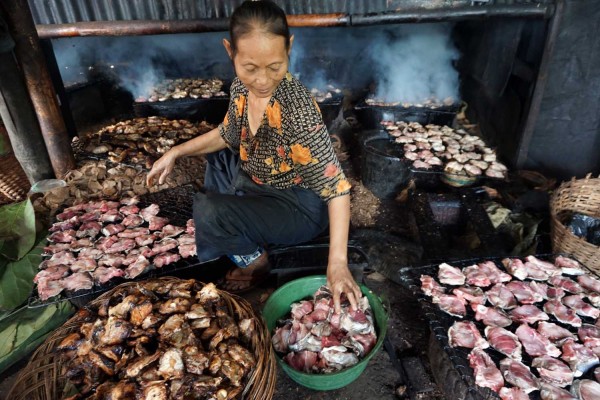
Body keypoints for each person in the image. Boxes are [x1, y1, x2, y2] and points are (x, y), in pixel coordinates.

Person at [146, 0, 360, 312]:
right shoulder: (240, 90)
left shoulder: (296, 112)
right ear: (229, 52)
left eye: (275, 67)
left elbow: (338, 189)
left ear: (289, 47)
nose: (262, 80)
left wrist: (338, 264)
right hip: (259, 180)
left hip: (297, 206)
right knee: (219, 158)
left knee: (208, 211)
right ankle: (237, 223)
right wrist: (175, 152)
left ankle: (256, 263)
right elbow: (227, 133)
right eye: (250, 68)